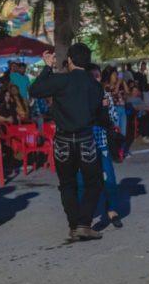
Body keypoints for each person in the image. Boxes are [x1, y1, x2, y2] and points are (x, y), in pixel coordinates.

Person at [29, 44, 105, 241]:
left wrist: (47, 67)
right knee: (93, 183)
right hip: (86, 139)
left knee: (67, 184)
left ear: (69, 59)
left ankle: (73, 226)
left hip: (63, 139)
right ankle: (84, 224)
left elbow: (34, 90)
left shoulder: (61, 80)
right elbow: (100, 115)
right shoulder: (95, 85)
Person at [80, 64, 123, 228]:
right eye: (91, 75)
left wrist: (105, 110)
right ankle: (83, 215)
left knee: (109, 178)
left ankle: (112, 209)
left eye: (97, 75)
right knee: (82, 181)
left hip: (102, 143)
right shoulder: (79, 96)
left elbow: (113, 118)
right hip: (84, 146)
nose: (95, 78)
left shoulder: (105, 95)